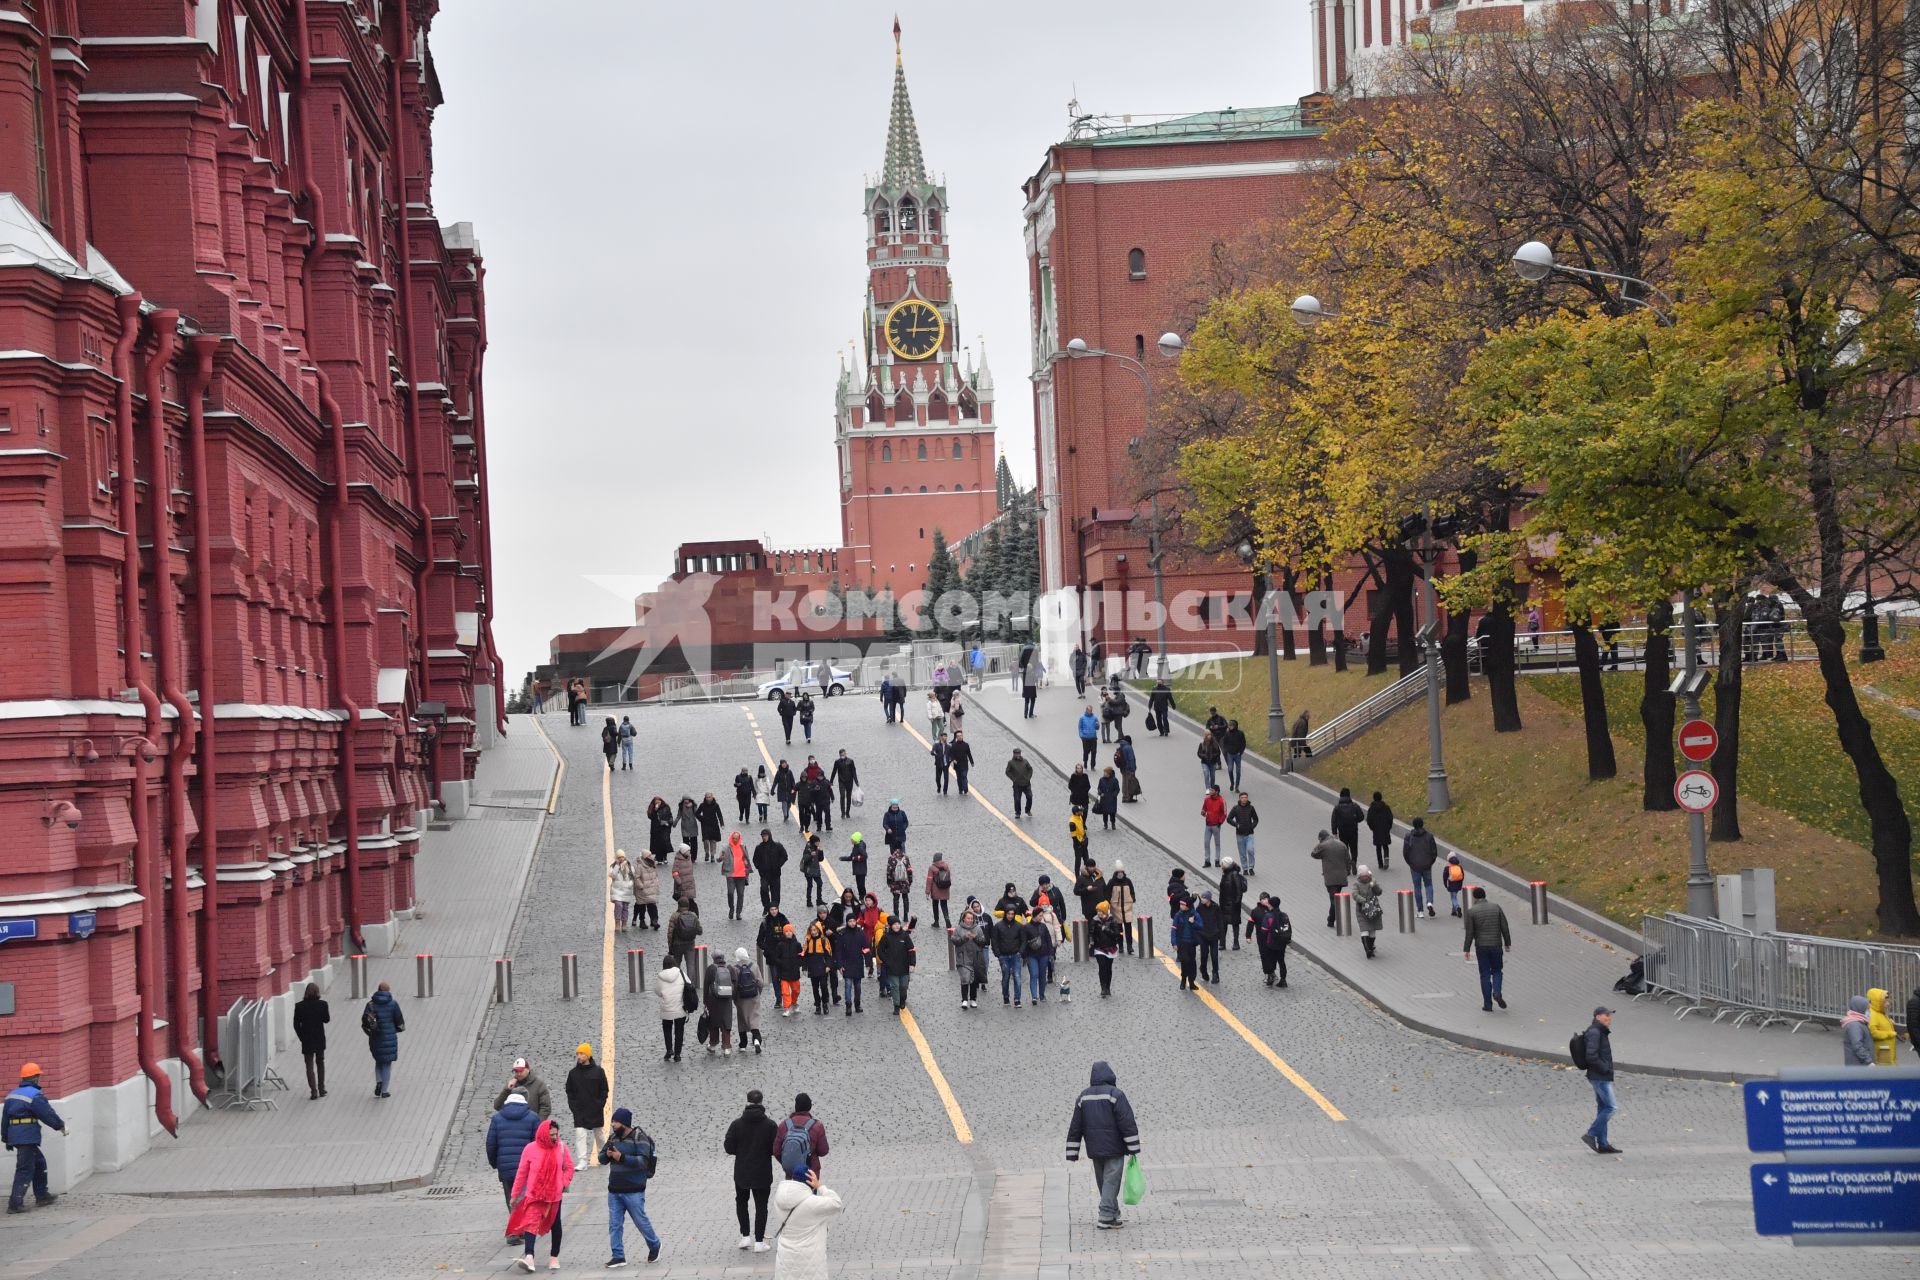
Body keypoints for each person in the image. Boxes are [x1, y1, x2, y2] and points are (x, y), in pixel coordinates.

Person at [1063, 1061, 1140, 1230]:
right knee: (1111, 1181)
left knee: (1104, 1182)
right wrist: (1133, 1146)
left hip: (1095, 1149)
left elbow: (1076, 1126)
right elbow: (1127, 1122)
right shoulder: (1116, 1095)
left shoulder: (1084, 1097)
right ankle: (1105, 1215)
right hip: (1114, 1148)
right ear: (1110, 1075)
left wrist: (1072, 1151)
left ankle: (1113, 1215)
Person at [506, 1118, 572, 1272]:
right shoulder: (530, 1149)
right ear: (543, 1134)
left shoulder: (561, 1148)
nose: (554, 1137)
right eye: (551, 1134)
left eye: (556, 1134)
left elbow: (569, 1167)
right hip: (534, 1194)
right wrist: (515, 1195)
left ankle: (554, 1257)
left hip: (554, 1195)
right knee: (531, 1223)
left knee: (555, 1224)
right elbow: (522, 1173)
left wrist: (562, 1183)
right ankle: (529, 1257)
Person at [601, 1106, 663, 1266]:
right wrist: (606, 1155)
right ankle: (618, 1255)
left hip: (634, 1191)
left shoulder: (639, 1138)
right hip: (614, 1190)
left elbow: (643, 1162)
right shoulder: (612, 1138)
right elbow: (601, 1159)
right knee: (614, 1224)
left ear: (624, 1123)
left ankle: (655, 1245)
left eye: (615, 1122)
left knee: (640, 1221)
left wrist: (621, 1157)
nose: (612, 1124)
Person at [722, 1089, 778, 1252]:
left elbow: (728, 1147)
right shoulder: (770, 1125)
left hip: (742, 1172)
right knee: (761, 1205)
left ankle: (745, 1237)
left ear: (747, 1102)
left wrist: (741, 1150)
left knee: (741, 1202)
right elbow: (775, 1148)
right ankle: (759, 1242)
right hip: (762, 1171)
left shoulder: (736, 1124)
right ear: (761, 1103)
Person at [4, 1064, 64, 1213]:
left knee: (39, 1163)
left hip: (16, 1135)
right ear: (36, 1078)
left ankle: (42, 1195)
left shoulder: (12, 1095)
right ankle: (15, 1204)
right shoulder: (34, 1096)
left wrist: (6, 1137)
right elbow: (47, 1114)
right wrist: (60, 1125)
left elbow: (4, 1119)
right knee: (25, 1169)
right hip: (27, 1136)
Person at [770, 1165, 842, 1280]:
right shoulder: (812, 1203)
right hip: (810, 1258)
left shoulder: (779, 1198)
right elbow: (837, 1203)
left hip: (785, 1256)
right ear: (810, 1182)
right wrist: (820, 1186)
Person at [486, 1090, 541, 1208]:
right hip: (527, 1167)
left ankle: (514, 1221)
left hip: (505, 1167)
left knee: (511, 1200)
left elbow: (491, 1145)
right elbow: (538, 1145)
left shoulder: (497, 1118)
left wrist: (495, 1164)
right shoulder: (533, 1118)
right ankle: (526, 1223)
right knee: (527, 1200)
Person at [1578, 1008, 1622, 1155]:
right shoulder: (1595, 1032)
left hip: (1600, 1075)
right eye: (1606, 1015)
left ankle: (1603, 1144)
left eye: (1610, 1016)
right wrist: (1605, 1069)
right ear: (1598, 1016)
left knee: (1603, 1108)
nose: (1609, 1018)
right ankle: (1590, 1134)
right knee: (1611, 1107)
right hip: (1599, 1076)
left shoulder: (1599, 1031)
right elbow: (1591, 1056)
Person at [1462, 886, 1513, 1011]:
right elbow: (1504, 927)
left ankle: (1488, 1004)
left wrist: (1466, 949)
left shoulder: (1471, 911)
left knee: (1484, 974)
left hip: (1481, 947)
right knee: (1497, 971)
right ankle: (1497, 992)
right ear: (1485, 895)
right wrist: (1507, 942)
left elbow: (1470, 932)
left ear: (1474, 897)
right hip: (1496, 945)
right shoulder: (1496, 907)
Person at [565, 1043, 608, 1171]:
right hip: (580, 1110)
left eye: (582, 1053)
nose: (579, 1056)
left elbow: (604, 1090)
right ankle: (582, 1160)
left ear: (588, 1055)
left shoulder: (599, 1071)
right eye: (578, 1054)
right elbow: (569, 1091)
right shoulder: (573, 1073)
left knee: (599, 1133)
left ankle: (603, 1155)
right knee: (580, 1134)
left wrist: (600, 1104)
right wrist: (574, 1107)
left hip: (595, 1108)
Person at [363, 979, 404, 1099]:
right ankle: (384, 1091)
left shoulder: (370, 1004)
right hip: (389, 1036)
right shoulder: (393, 1003)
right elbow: (399, 1020)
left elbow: (365, 1020)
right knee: (387, 1064)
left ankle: (379, 1082)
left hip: (376, 1036)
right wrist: (397, 1029)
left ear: (378, 989)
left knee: (378, 1061)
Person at [774, 1094, 830, 1179]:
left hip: (791, 1174)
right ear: (809, 1107)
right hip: (811, 1174)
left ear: (796, 1106)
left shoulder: (784, 1125)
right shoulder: (817, 1126)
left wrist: (790, 1160)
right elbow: (823, 1151)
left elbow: (776, 1151)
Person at [293, 982, 329, 1100]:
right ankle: (322, 1088)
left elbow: (296, 1024)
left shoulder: (299, 1006)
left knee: (309, 1065)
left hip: (307, 1039)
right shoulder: (323, 1004)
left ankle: (313, 1091)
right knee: (320, 1062)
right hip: (319, 1038)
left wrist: (301, 1037)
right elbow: (326, 1019)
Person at [1311, 829, 1352, 929]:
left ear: (1321, 838)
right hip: (1341, 877)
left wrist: (1318, 845)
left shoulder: (1323, 846)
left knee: (1334, 900)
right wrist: (1347, 871)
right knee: (1335, 897)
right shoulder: (1342, 844)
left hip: (1330, 878)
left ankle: (1336, 919)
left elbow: (1314, 854)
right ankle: (1330, 920)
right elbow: (1348, 860)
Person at [1250, 893, 1292, 987]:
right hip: (1282, 942)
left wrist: (1264, 940)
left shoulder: (1268, 916)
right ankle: (1283, 980)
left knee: (1270, 961)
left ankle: (1270, 977)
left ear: (1271, 905)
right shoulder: (1284, 915)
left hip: (1272, 943)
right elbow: (1289, 928)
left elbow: (1264, 930)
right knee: (1281, 961)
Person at [877, 916, 918, 1014]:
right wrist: (886, 961)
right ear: (891, 926)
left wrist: (912, 964)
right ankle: (896, 1005)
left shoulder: (904, 936)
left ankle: (902, 999)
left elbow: (911, 950)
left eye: (898, 924)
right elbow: (880, 950)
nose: (896, 926)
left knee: (903, 986)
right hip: (892, 967)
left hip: (904, 966)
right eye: (894, 924)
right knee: (895, 987)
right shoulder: (886, 937)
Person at [833, 910, 869, 1015]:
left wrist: (868, 963)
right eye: (850, 921)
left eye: (854, 921)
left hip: (858, 963)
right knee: (848, 985)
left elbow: (866, 948)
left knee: (858, 986)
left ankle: (857, 1004)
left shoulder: (860, 933)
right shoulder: (842, 934)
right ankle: (848, 1005)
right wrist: (839, 965)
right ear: (847, 922)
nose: (852, 923)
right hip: (846, 964)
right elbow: (838, 951)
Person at [952, 905, 988, 1009]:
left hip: (975, 958)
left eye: (972, 918)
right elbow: (954, 940)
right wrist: (965, 937)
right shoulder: (958, 929)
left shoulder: (977, 928)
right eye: (968, 918)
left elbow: (983, 942)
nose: (970, 920)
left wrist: (975, 937)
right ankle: (964, 1000)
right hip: (962, 958)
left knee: (973, 979)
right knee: (965, 978)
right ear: (964, 918)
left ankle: (973, 999)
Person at [990, 908, 1027, 1007]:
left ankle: (1017, 999)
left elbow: (1024, 940)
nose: (1010, 916)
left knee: (1017, 977)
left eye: (1012, 914)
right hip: (1004, 956)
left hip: (1015, 955)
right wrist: (998, 954)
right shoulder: (998, 926)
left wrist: (1020, 952)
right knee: (1005, 977)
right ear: (1005, 914)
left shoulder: (1019, 926)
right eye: (1009, 914)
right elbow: (994, 941)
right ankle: (1006, 996)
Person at [1403, 818, 1439, 917]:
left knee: (1417, 887)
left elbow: (1405, 852)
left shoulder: (1408, 836)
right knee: (1428, 884)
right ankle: (1430, 902)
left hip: (1414, 866)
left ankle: (1420, 911)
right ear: (1422, 824)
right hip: (1427, 864)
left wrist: (1410, 863)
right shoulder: (1429, 836)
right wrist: (1430, 862)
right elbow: (1434, 852)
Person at [1088, 902, 1125, 998]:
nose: (1099, 913)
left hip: (1110, 948)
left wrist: (1106, 929)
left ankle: (1108, 987)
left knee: (1108, 968)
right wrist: (1091, 942)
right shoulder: (1095, 920)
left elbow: (1116, 934)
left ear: (1105, 911)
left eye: (1100, 911)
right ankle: (1103, 988)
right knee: (1102, 967)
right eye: (1098, 911)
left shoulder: (1112, 920)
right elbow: (1091, 933)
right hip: (1099, 948)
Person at [703, 953, 737, 1056]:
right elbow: (735, 983)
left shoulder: (711, 969)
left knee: (713, 1023)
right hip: (727, 1001)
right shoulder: (730, 968)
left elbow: (706, 985)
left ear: (713, 959)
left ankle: (712, 1045)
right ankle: (727, 1047)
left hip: (713, 1000)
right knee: (726, 1024)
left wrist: (705, 1001)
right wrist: (732, 997)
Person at [656, 961, 689, 1062]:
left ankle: (669, 1050)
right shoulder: (681, 973)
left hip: (666, 1008)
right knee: (679, 1031)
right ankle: (677, 1054)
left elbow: (657, 991)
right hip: (680, 1007)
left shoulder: (660, 976)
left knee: (667, 1029)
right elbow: (689, 985)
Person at [1024, 905, 1057, 1002]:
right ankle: (1034, 996)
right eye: (1039, 916)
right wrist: (1024, 954)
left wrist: (1051, 953)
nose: (1041, 917)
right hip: (1031, 955)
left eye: (1042, 916)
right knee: (1034, 974)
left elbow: (1048, 940)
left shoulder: (1043, 926)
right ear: (1034, 916)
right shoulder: (1026, 927)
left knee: (1042, 975)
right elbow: (1024, 942)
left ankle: (1042, 995)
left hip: (1044, 954)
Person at [769, 930, 802, 1025]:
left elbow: (801, 955)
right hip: (784, 973)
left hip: (794, 972)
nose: (788, 933)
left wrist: (798, 964)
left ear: (792, 932)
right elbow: (777, 957)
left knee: (796, 990)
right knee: (785, 992)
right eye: (786, 931)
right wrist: (781, 964)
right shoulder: (780, 945)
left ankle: (794, 1003)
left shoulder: (797, 944)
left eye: (790, 931)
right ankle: (787, 1008)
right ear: (784, 933)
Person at [1170, 894, 1202, 991]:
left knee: (1192, 962)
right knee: (1184, 961)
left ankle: (1191, 981)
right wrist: (1174, 943)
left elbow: (1201, 926)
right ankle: (1183, 980)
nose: (1181, 906)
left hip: (1191, 943)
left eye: (1182, 905)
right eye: (1180, 904)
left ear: (1187, 905)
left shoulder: (1195, 914)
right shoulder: (1178, 915)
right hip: (1182, 943)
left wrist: (1193, 922)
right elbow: (1174, 929)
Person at [753, 828, 789, 912]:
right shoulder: (759, 847)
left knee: (775, 893)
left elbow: (784, 856)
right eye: (762, 836)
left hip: (775, 874)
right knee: (763, 890)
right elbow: (755, 859)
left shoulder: (777, 846)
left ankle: (775, 909)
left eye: (765, 836)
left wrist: (778, 865)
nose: (764, 837)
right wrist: (759, 867)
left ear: (769, 835)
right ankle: (766, 907)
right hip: (764, 874)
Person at [1351, 866, 1384, 959]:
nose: (1365, 877)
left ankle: (1371, 947)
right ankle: (1367, 950)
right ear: (1359, 876)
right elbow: (1354, 894)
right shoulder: (1356, 884)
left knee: (1373, 930)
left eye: (1366, 875)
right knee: (1364, 929)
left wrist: (1375, 886)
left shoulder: (1372, 881)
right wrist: (1364, 901)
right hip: (1362, 910)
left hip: (1373, 909)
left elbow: (1379, 892)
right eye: (1363, 876)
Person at [721, 831, 752, 921]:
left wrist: (747, 869)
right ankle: (731, 909)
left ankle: (738, 913)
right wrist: (720, 858)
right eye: (733, 838)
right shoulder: (726, 848)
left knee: (741, 894)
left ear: (739, 838)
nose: (734, 840)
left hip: (741, 875)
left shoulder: (743, 847)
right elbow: (719, 858)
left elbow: (747, 858)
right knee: (730, 893)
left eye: (736, 838)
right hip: (731, 874)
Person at [1195, 890, 1225, 984]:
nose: (1202, 899)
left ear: (1208, 899)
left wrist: (1222, 937)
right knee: (1204, 955)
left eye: (1204, 898)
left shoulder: (1216, 908)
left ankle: (1215, 974)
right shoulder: (1199, 908)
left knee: (1214, 955)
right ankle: (1203, 970)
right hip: (1203, 936)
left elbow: (1220, 922)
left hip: (1214, 935)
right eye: (1202, 897)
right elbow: (1196, 920)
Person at [1218, 857, 1248, 949]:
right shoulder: (1225, 873)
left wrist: (1237, 902)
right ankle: (1222, 943)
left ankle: (1236, 943)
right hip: (1224, 904)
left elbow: (1239, 890)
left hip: (1233, 904)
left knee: (1235, 924)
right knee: (1223, 924)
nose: (1221, 866)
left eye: (1222, 864)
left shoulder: (1234, 874)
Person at [1331, 787, 1365, 865]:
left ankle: (1347, 866)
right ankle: (1354, 861)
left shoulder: (1337, 808)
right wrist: (1355, 820)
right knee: (1354, 848)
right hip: (1353, 830)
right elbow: (1361, 817)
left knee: (1344, 848)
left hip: (1342, 831)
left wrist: (1334, 832)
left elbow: (1334, 820)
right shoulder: (1355, 806)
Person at [1107, 861, 1136, 954]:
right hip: (1116, 909)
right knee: (1119, 930)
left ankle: (1129, 946)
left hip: (1127, 908)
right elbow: (1107, 893)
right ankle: (1121, 946)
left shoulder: (1128, 881)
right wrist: (1108, 903)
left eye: (1121, 872)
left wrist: (1132, 899)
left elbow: (1132, 891)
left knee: (1128, 929)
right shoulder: (1112, 882)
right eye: (1118, 873)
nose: (1120, 874)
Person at [1868, 988, 1899, 1065]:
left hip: (1886, 1049)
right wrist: (1889, 1034)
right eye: (1885, 1001)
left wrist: (1889, 1022)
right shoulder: (1873, 1014)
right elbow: (1873, 1033)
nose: (1888, 1004)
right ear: (1877, 1002)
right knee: (1885, 1070)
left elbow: (1881, 1024)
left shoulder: (1879, 1012)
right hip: (1882, 1050)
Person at [667, 893, 701, 962]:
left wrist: (670, 947)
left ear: (678, 905)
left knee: (676, 965)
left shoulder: (674, 916)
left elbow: (670, 934)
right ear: (688, 905)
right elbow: (700, 931)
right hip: (690, 944)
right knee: (691, 965)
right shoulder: (693, 915)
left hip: (677, 944)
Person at [1842, 995, 1875, 1066]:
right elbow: (1857, 1045)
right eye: (1867, 1009)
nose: (1869, 1011)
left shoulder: (1860, 1021)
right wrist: (1868, 1061)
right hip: (1858, 1065)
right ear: (1860, 1008)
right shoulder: (1854, 1025)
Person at [1074, 859, 1109, 926]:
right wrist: (1086, 889)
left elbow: (1105, 889)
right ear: (1086, 867)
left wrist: (1107, 902)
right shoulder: (1081, 878)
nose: (1092, 868)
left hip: (1101, 908)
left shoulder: (1099, 876)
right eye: (1090, 867)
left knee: (1102, 928)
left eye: (1093, 866)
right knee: (1092, 929)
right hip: (1089, 910)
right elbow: (1076, 891)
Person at [609, 849, 637, 933]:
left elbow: (633, 876)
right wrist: (617, 866)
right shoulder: (613, 866)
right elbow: (612, 875)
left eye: (622, 857)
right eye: (619, 857)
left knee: (625, 907)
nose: (621, 859)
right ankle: (617, 923)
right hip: (617, 890)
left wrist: (630, 884)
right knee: (618, 905)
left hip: (626, 891)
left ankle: (624, 924)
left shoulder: (629, 866)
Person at [1366, 790, 1394, 870]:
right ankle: (1386, 858)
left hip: (1376, 829)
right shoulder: (1386, 807)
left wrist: (1372, 828)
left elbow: (1369, 820)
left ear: (1374, 798)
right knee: (1385, 846)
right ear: (1381, 798)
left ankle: (1380, 864)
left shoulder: (1371, 809)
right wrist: (1388, 827)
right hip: (1385, 829)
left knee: (1378, 847)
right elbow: (1390, 818)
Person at [1199, 786, 1226, 867]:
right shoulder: (1207, 799)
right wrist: (1203, 812)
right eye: (1210, 790)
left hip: (1216, 826)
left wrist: (1219, 823)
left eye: (1212, 790)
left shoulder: (1222, 801)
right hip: (1208, 825)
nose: (1210, 791)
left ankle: (1217, 860)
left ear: (1217, 791)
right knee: (1206, 843)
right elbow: (1204, 808)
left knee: (1217, 843)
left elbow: (1224, 813)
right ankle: (1207, 861)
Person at [925, 852, 954, 927]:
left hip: (936, 890)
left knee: (935, 905)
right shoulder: (946, 866)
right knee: (944, 905)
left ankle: (936, 922)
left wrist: (927, 892)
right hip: (945, 889)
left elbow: (929, 880)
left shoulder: (932, 868)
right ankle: (947, 919)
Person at [829, 750, 859, 818]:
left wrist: (856, 781)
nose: (843, 755)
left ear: (846, 753)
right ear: (839, 755)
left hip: (849, 781)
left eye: (844, 754)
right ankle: (843, 813)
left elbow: (854, 771)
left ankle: (847, 812)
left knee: (848, 797)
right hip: (841, 781)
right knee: (842, 796)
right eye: (841, 754)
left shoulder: (850, 761)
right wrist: (831, 781)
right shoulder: (837, 762)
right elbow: (834, 771)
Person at [840, 832, 870, 901]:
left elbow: (864, 856)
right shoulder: (856, 846)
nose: (851, 841)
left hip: (860, 869)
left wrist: (856, 858)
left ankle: (863, 897)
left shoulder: (859, 847)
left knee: (861, 885)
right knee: (859, 884)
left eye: (852, 839)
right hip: (858, 869)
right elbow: (851, 857)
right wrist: (844, 858)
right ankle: (862, 897)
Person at [1006, 748, 1035, 817]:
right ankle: (1018, 813)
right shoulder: (1011, 763)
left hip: (1026, 784)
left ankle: (1028, 810)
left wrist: (1028, 778)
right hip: (1017, 785)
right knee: (1017, 799)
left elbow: (1030, 769)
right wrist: (1013, 779)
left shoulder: (1025, 761)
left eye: (1018, 753)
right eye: (1016, 754)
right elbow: (1007, 772)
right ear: (1013, 754)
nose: (1017, 755)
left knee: (1030, 797)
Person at [799, 833, 826, 907]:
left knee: (820, 883)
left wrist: (821, 851)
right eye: (817, 842)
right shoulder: (808, 848)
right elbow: (805, 858)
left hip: (816, 869)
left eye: (819, 842)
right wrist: (811, 855)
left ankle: (819, 900)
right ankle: (809, 901)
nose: (818, 843)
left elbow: (821, 859)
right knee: (810, 885)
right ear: (814, 842)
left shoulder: (817, 847)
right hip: (809, 870)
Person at [697, 792, 725, 861]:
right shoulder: (702, 805)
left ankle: (712, 855)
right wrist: (702, 818)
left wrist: (722, 824)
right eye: (707, 797)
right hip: (705, 825)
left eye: (709, 797)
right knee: (706, 840)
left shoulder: (716, 805)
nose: (708, 798)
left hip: (714, 825)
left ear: (712, 797)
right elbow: (697, 813)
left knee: (713, 840)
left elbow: (719, 815)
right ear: (705, 798)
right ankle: (707, 853)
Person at [670, 843, 697, 908]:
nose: (689, 852)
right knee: (686, 904)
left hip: (690, 885)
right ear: (684, 852)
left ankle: (693, 916)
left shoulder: (689, 858)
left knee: (690, 903)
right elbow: (674, 872)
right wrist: (679, 881)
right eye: (688, 851)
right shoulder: (678, 861)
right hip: (682, 886)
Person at [1222, 719, 1247, 790]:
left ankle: (1237, 786)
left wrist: (1241, 752)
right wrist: (1226, 750)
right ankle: (1232, 783)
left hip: (1237, 754)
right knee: (1230, 769)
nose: (1230, 727)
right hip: (1230, 754)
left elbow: (1243, 743)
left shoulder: (1240, 733)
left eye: (1232, 726)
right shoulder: (1227, 734)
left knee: (1238, 771)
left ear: (1235, 726)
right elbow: (1224, 743)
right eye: (1229, 725)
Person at [949, 731, 974, 795]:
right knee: (959, 777)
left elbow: (969, 754)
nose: (960, 737)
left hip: (964, 764)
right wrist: (953, 759)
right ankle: (960, 789)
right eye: (958, 736)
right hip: (957, 764)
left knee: (964, 776)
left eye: (961, 735)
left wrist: (972, 762)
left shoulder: (966, 745)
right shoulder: (954, 745)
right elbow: (951, 754)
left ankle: (965, 789)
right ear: (956, 737)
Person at [1443, 852, 1467, 916]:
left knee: (1453, 898)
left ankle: (1457, 907)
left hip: (1451, 884)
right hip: (1458, 884)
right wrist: (1460, 883)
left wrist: (1445, 884)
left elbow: (1445, 876)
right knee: (1454, 896)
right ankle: (1454, 911)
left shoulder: (1447, 867)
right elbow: (1462, 876)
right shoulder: (1459, 866)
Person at [1078, 704, 1100, 769]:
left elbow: (1097, 727)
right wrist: (1081, 735)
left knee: (1094, 751)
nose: (1090, 711)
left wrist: (1097, 725)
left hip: (1093, 737)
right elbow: (1080, 727)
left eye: (1091, 710)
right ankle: (1085, 762)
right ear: (1086, 710)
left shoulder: (1095, 717)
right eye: (1089, 710)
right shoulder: (1082, 717)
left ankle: (1092, 765)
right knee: (1086, 751)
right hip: (1085, 737)